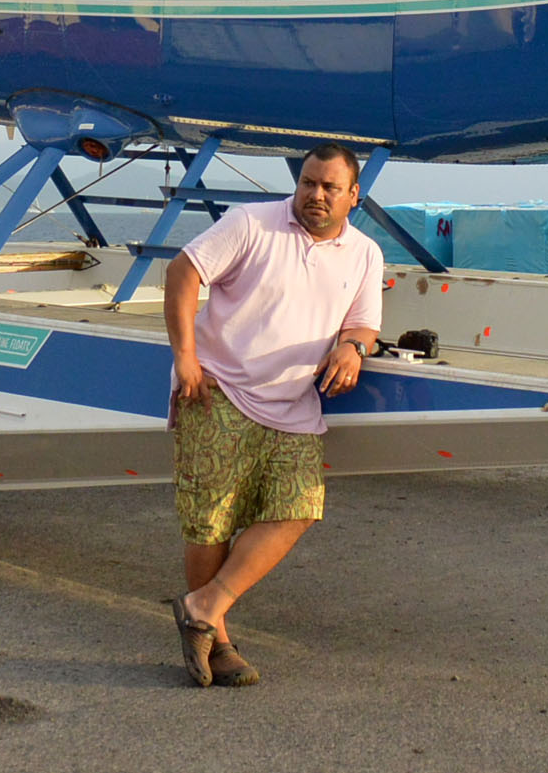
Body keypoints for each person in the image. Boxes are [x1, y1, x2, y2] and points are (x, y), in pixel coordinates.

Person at [162, 143, 383, 688]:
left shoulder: (365, 253)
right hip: (219, 389)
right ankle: (220, 644)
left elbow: (364, 325)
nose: (316, 195)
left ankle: (205, 606)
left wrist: (352, 348)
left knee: (300, 506)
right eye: (309, 183)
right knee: (211, 520)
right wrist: (185, 358)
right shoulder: (251, 224)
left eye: (331, 187)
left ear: (354, 197)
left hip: (293, 403)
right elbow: (183, 273)